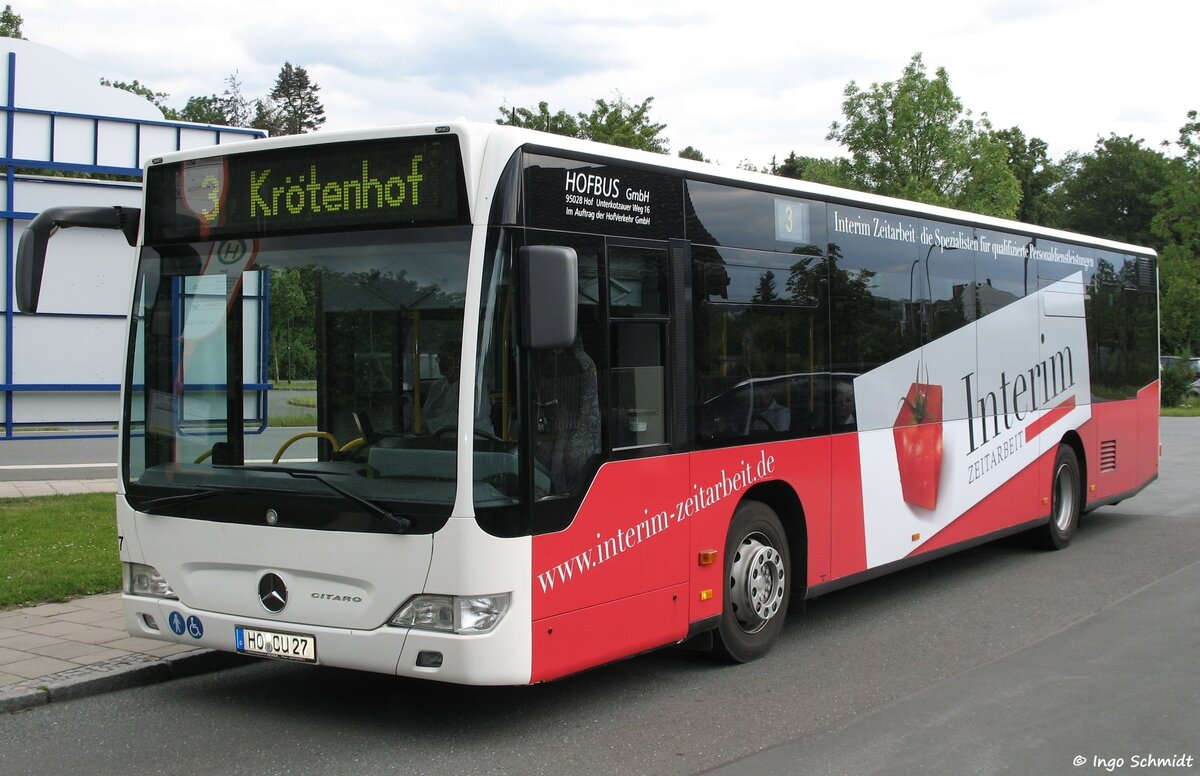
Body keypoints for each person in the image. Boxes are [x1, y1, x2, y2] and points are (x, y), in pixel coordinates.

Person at [422, 342, 493, 434]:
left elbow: (465, 416)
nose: (441, 363)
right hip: (440, 437)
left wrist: (429, 425)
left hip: (475, 438)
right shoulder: (437, 386)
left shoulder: (475, 384)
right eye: (439, 358)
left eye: (446, 358)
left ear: (459, 360)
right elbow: (426, 414)